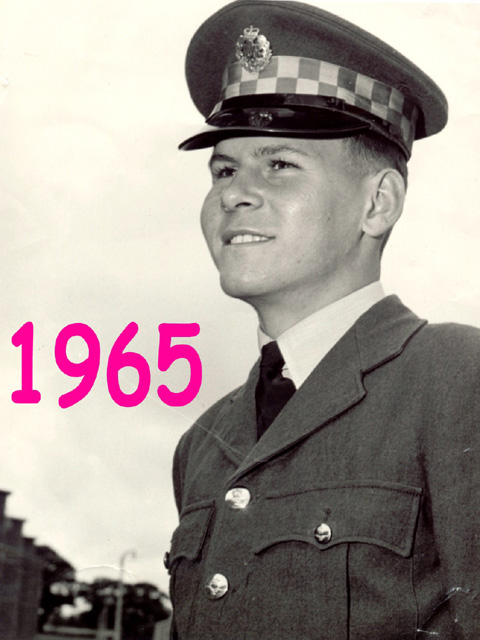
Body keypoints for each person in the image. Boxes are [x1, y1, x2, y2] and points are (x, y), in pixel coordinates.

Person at [165, 1, 480, 637]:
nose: (233, 193)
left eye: (279, 164)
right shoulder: (203, 441)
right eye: (223, 169)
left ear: (378, 203)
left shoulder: (458, 379)